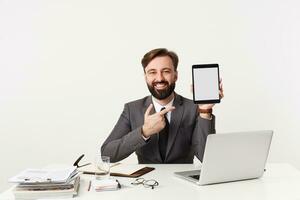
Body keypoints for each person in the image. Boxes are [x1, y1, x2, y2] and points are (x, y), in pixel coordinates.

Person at [101, 48, 224, 164]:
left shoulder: (193, 108)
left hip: (183, 184)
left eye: (166, 71)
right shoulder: (132, 109)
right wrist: (144, 132)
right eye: (152, 72)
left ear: (175, 75)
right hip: (146, 183)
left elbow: (208, 159)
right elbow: (107, 154)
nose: (159, 78)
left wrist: (205, 110)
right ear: (145, 77)